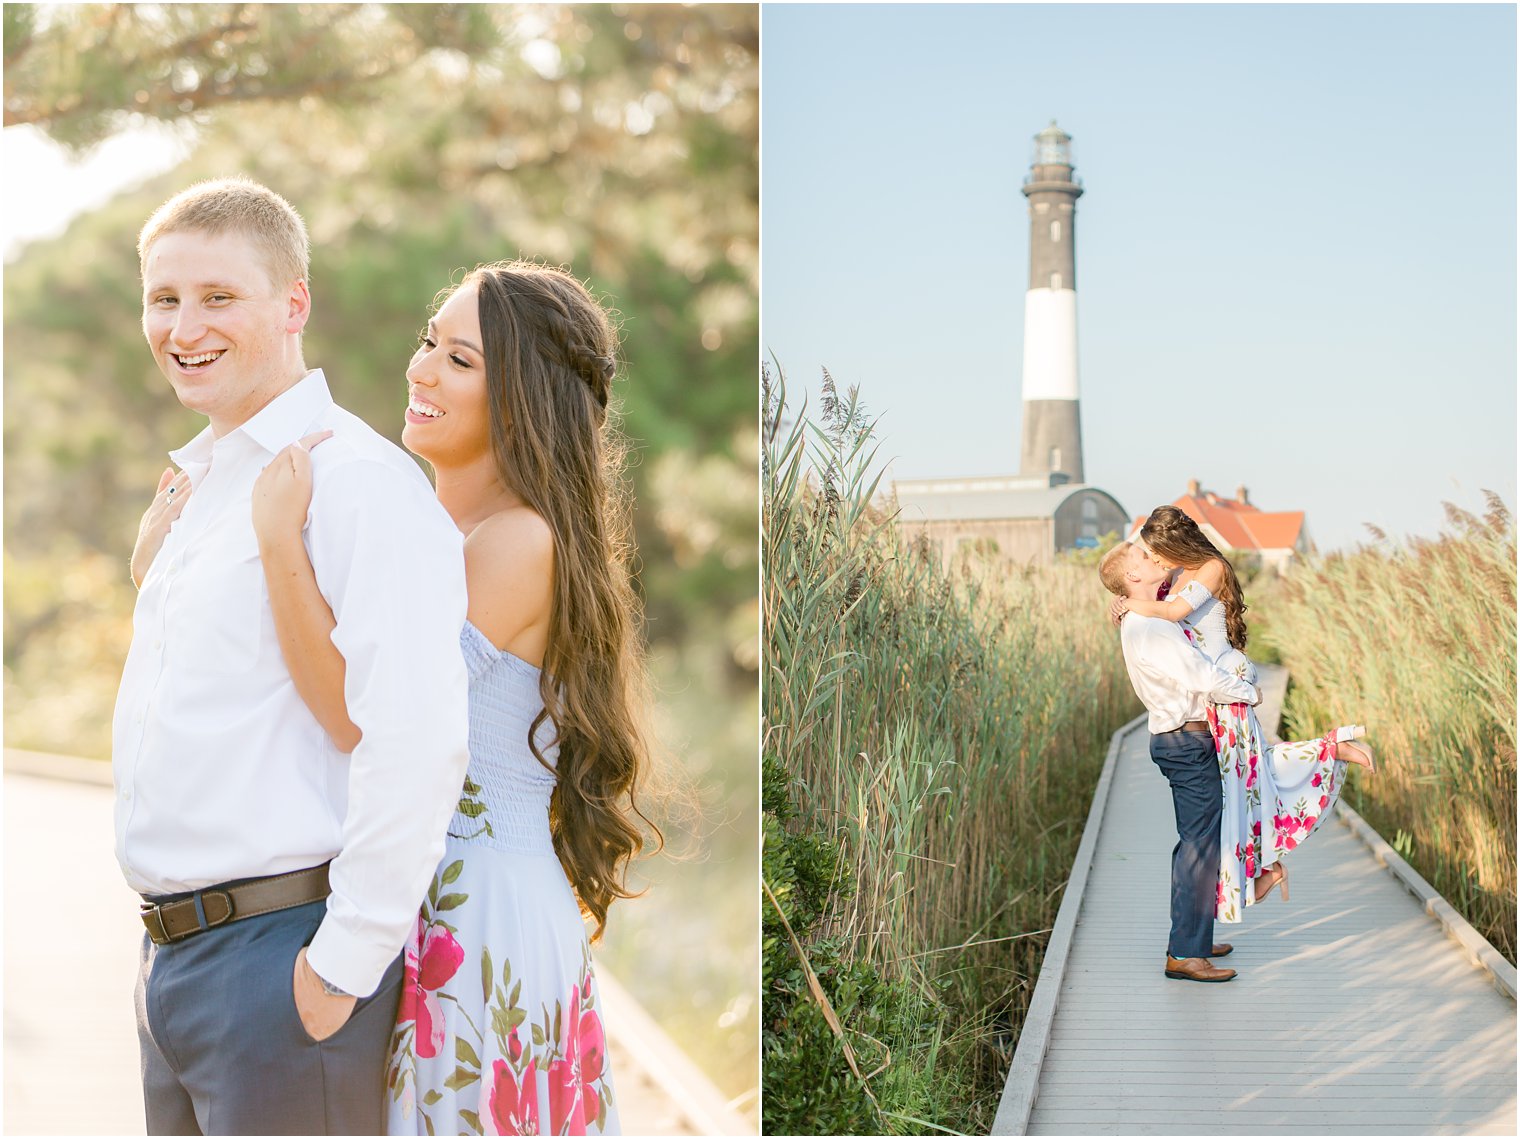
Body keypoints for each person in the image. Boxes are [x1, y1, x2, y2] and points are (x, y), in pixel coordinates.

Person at [248, 261, 653, 1135]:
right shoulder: (463, 537)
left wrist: (279, 539)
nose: (421, 369)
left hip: (474, 921)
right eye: (429, 342)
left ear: (522, 396)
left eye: (459, 359)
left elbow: (360, 718)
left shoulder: (513, 545)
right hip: (446, 901)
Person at [115, 176, 472, 1134]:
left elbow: (416, 736)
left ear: (295, 303)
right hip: (174, 968)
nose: (183, 326)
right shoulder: (203, 487)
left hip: (281, 969)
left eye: (218, 297)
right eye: (164, 298)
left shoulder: (357, 483)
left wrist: (340, 964)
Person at [1113, 506, 1376, 921]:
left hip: (1226, 687)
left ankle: (1331, 751)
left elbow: (1176, 615)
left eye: (1158, 553)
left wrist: (1130, 602)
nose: (1156, 561)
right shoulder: (1175, 577)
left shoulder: (1211, 567)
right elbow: (1157, 611)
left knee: (1249, 775)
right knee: (1240, 784)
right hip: (1213, 694)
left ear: (1175, 545)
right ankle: (1251, 880)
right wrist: (1126, 601)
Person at [1098, 541, 1262, 982]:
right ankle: (1185, 954)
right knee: (1196, 846)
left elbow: (1160, 572)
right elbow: (1201, 676)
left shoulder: (1148, 614)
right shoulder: (1151, 627)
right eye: (1143, 558)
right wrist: (1249, 691)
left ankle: (1195, 937)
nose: (1154, 560)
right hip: (1185, 742)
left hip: (1180, 740)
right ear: (1132, 578)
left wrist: (1123, 597)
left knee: (1197, 843)